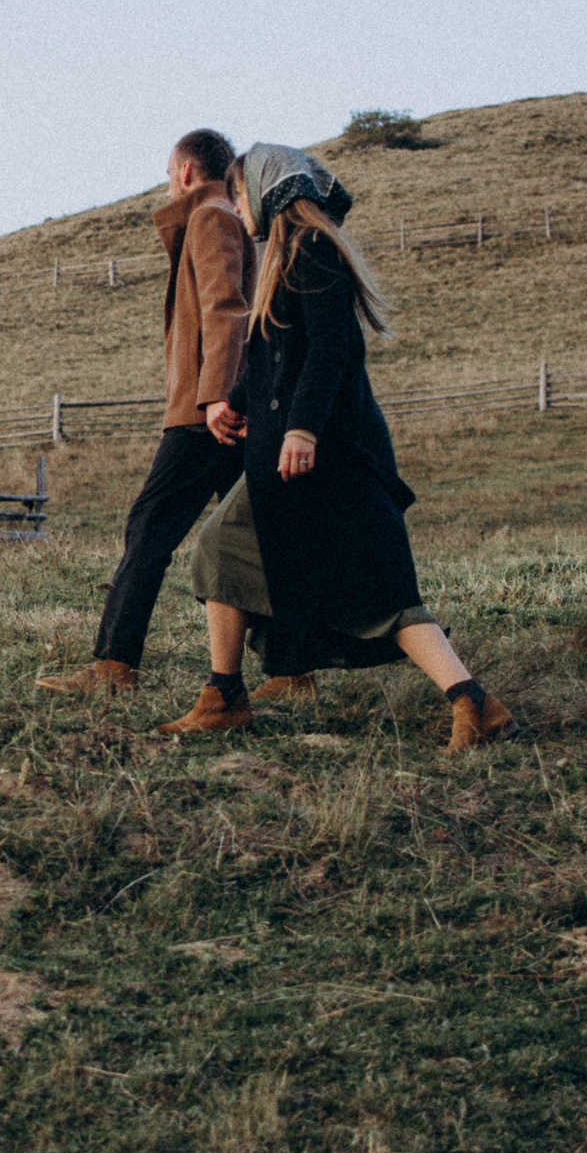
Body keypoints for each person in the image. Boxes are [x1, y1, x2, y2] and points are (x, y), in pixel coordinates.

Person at [157, 142, 520, 750]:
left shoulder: (311, 251)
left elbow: (329, 350)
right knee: (227, 550)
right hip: (287, 462)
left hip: (326, 461)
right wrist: (232, 404)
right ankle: (224, 695)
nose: (237, 205)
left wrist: (302, 429)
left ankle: (475, 705)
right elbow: (275, 357)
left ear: (267, 191)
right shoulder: (286, 258)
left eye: (241, 193)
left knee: (376, 593)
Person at [38, 129, 280, 695]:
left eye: (170, 171)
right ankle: (292, 668)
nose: (168, 182)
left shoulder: (212, 216)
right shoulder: (218, 214)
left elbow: (227, 308)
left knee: (148, 529)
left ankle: (115, 666)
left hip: (204, 415)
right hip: (218, 408)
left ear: (188, 171)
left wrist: (215, 394)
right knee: (258, 537)